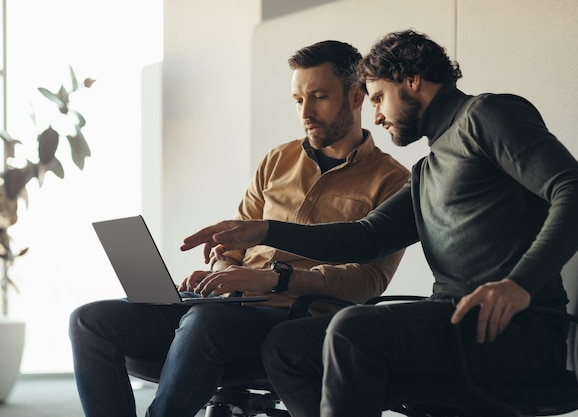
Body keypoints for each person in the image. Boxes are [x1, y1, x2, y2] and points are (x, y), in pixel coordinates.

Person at [180, 29, 578, 417]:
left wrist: (519, 284)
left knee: (352, 329)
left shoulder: (487, 115)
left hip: (515, 332)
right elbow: (366, 238)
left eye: (379, 97)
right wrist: (265, 230)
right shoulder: (429, 169)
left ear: (412, 80)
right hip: (455, 322)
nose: (377, 115)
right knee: (288, 346)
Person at [69, 40, 409, 417]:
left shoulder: (392, 181)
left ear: (357, 96)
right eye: (298, 100)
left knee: (205, 322)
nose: (306, 112)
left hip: (296, 318)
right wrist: (219, 275)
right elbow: (230, 245)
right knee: (90, 320)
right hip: (224, 306)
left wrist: (275, 279)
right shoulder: (278, 160)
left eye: (319, 97)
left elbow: (368, 280)